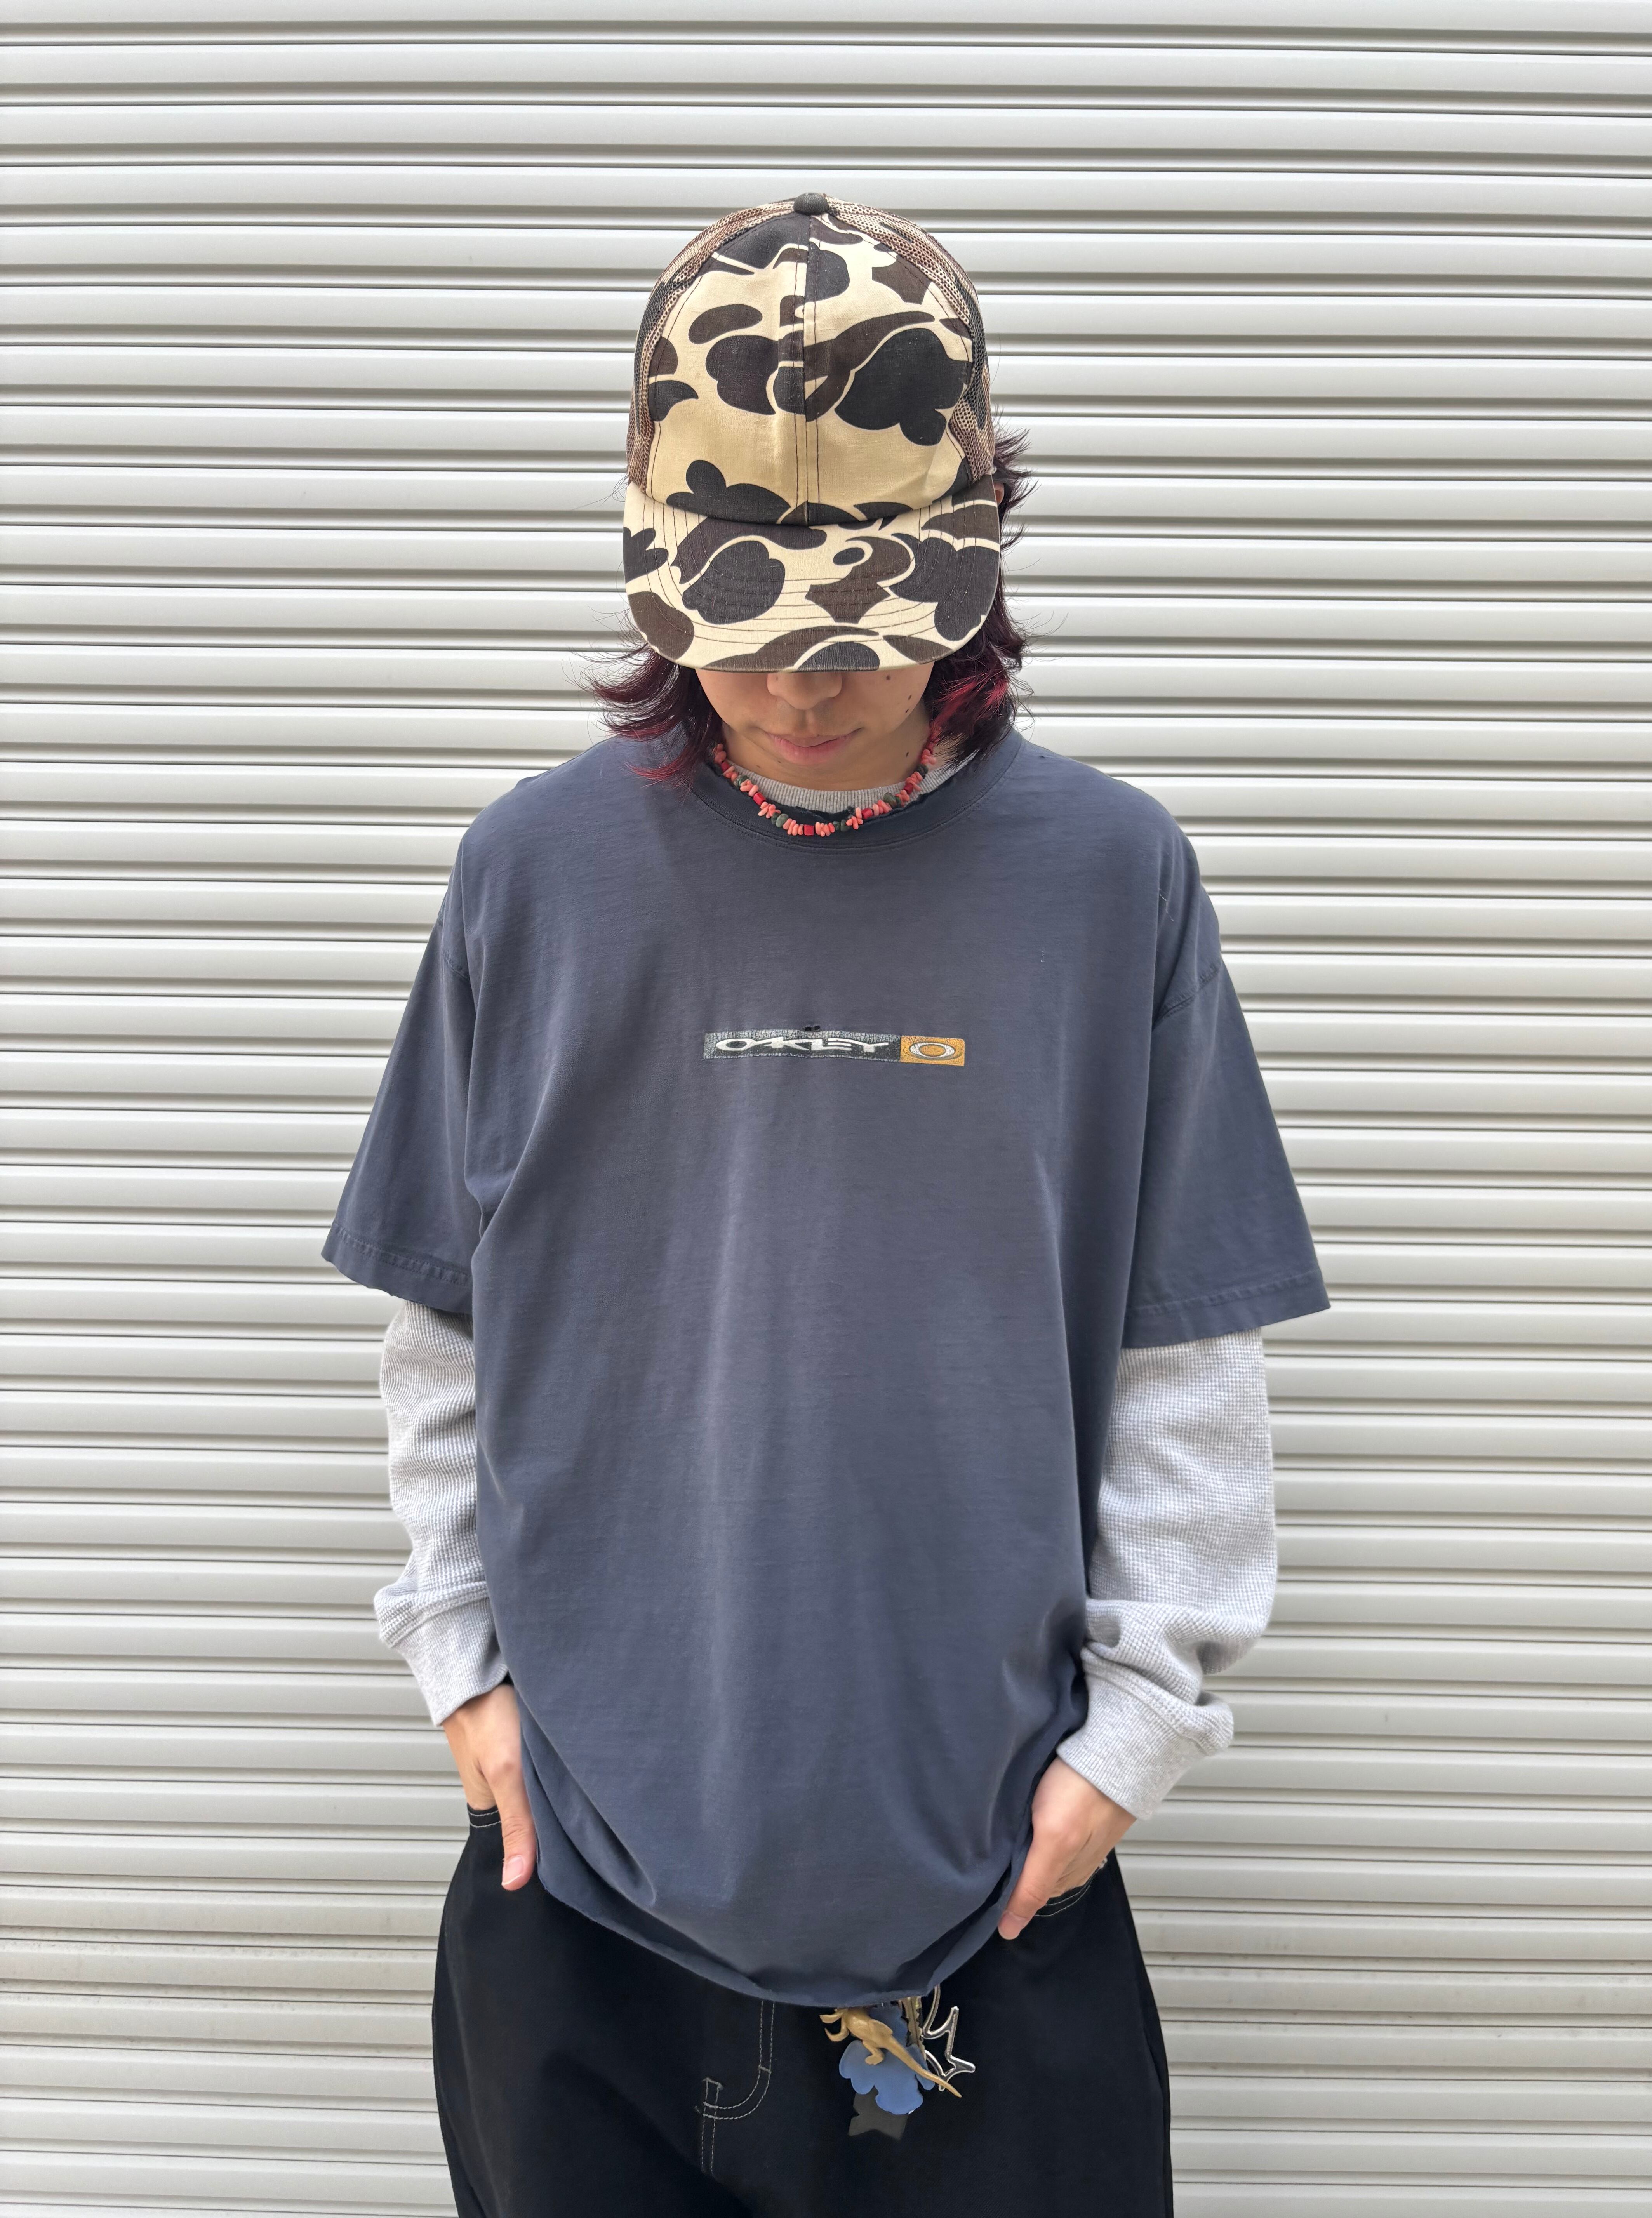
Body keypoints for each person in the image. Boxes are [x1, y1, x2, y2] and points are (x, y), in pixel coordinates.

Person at [323, 192, 1328, 2216]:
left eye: (863, 626)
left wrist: (1128, 1745)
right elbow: (445, 1319)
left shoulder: (1110, 882)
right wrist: (463, 1677)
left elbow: (1184, 1354)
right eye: (749, 625)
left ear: (975, 559)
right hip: (580, 1885)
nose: (802, 685)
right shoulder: (534, 873)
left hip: (988, 1891)